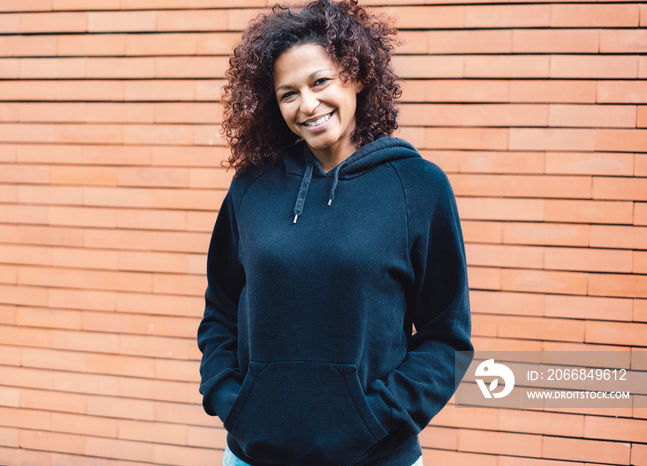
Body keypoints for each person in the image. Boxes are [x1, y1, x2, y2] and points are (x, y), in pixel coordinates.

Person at [197, 0, 473, 464]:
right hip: (252, 455)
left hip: (376, 457)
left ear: (358, 76)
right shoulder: (251, 187)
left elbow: (446, 336)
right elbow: (221, 309)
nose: (308, 104)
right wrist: (231, 400)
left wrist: (375, 417)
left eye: (320, 81)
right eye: (288, 93)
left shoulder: (419, 187)